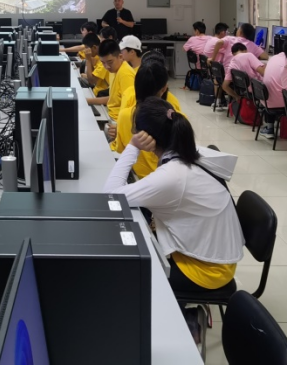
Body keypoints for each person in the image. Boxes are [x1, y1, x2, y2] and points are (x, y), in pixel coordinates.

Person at [103, 96, 243, 341]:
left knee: (127, 275)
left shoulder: (173, 175)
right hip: (212, 254)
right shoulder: (188, 153)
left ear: (146, 137)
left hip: (206, 271)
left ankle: (186, 321)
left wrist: (133, 147)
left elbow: (110, 195)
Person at [112, 54, 184, 179]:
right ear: (164, 88)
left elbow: (120, 149)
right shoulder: (175, 117)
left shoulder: (124, 116)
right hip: (169, 180)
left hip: (137, 179)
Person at [106, 36, 143, 141]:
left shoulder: (134, 74)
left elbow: (131, 106)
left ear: (132, 52)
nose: (119, 54)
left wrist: (120, 127)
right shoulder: (124, 68)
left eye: (121, 51)